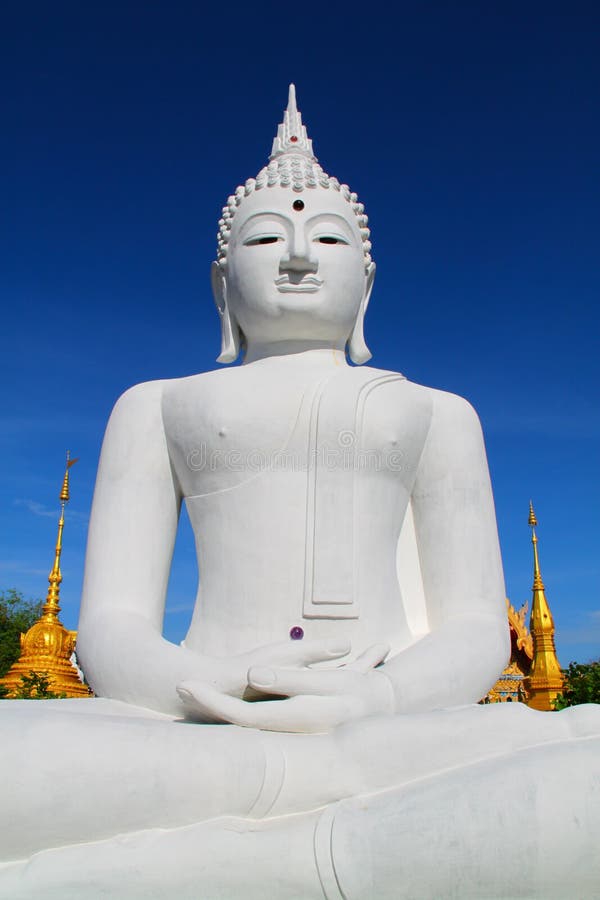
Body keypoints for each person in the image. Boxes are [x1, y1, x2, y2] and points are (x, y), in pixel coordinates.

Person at [1, 86, 598, 900]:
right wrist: (215, 690)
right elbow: (109, 629)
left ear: (368, 284)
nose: (299, 257)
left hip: (397, 725)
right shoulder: (157, 406)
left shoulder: (438, 414)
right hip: (197, 723)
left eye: (326, 237)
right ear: (222, 286)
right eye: (266, 238)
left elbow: (471, 627)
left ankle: (219, 862)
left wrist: (379, 695)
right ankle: (333, 844)